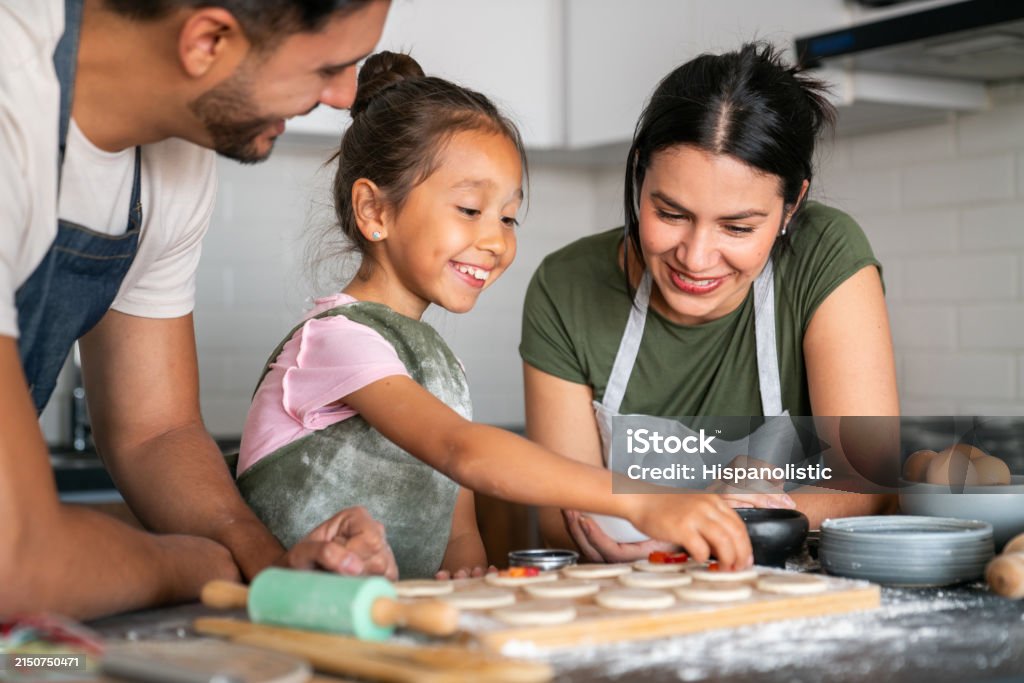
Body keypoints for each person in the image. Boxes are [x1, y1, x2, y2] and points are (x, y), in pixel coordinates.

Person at [236, 51, 790, 580]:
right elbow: (465, 452)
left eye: (508, 218)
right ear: (375, 210)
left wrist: (468, 573)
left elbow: (456, 534)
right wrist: (650, 502)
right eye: (471, 210)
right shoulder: (336, 340)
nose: (495, 240)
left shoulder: (436, 366)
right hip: (289, 621)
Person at [0, 0, 397, 620]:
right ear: (208, 40)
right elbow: (15, 559)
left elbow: (154, 431)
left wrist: (267, 566)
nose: (346, 96)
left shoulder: (172, 154)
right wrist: (206, 565)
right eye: (330, 65)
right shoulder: (9, 101)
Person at [520, 43, 900, 563]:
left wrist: (728, 518)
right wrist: (699, 521)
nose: (696, 259)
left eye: (738, 227)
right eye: (671, 213)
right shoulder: (566, 285)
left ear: (792, 206)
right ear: (639, 174)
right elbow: (562, 518)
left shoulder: (825, 254)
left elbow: (865, 482)